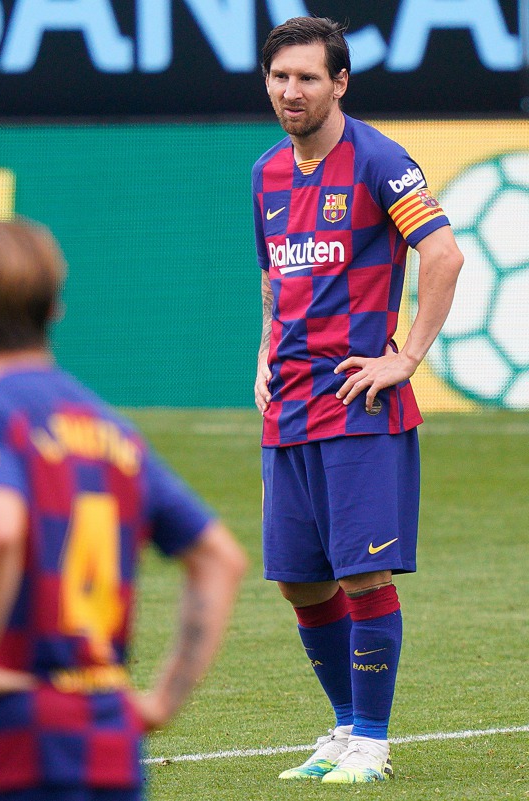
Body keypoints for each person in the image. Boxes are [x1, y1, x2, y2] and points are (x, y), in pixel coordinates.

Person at [0, 219, 247, 801]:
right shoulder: (112, 429)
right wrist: (159, 703)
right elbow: (219, 557)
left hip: (17, 733)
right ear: (55, 310)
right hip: (110, 741)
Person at [252, 17, 464, 783]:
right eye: (280, 77)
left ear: (339, 82)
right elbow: (276, 280)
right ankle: (343, 729)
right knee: (298, 577)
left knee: (362, 574)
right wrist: (264, 355)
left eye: (307, 77)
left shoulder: (379, 160)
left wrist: (406, 356)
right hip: (290, 409)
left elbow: (443, 254)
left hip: (356, 406)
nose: (291, 91)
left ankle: (373, 742)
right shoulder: (267, 172)